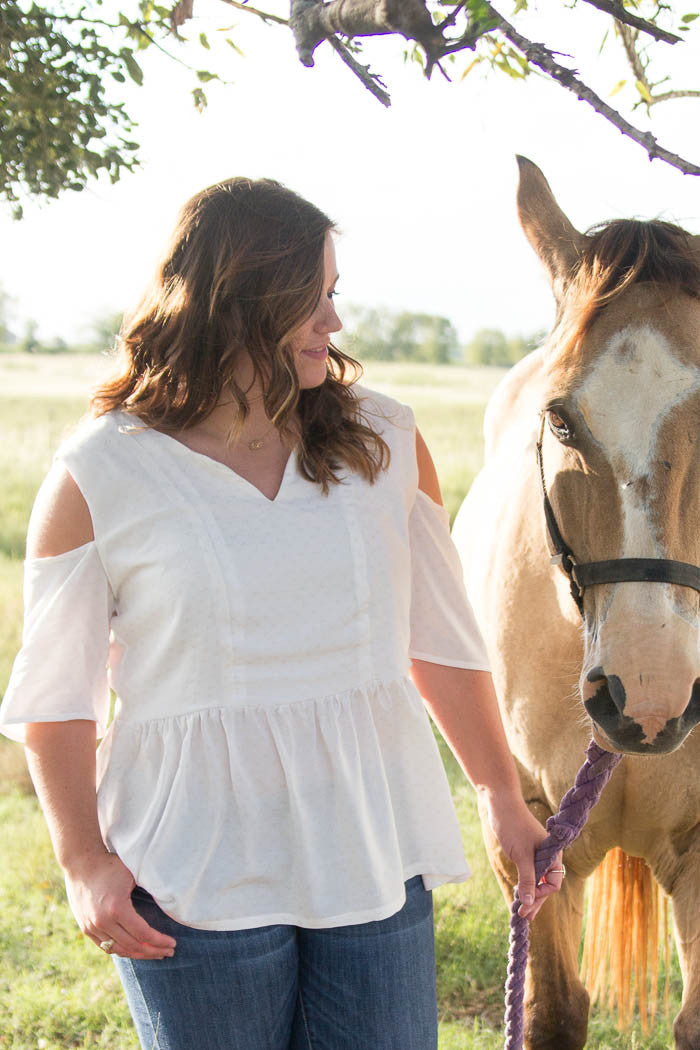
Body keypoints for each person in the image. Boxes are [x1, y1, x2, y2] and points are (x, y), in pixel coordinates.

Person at [0, 177, 562, 1050]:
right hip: (190, 865)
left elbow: (440, 640)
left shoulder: (385, 439)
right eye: (315, 297)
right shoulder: (100, 472)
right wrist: (82, 862)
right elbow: (55, 696)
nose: (334, 323)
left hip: (371, 844)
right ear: (238, 297)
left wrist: (498, 792)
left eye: (333, 294)